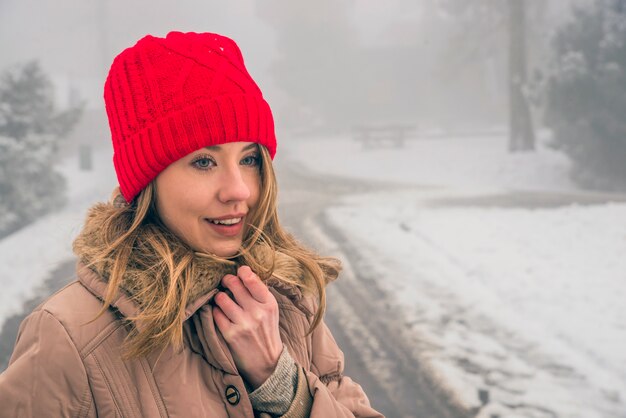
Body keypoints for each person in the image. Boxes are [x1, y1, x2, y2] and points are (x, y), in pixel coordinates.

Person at [0, 31, 383, 417]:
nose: (239, 191)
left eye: (249, 159)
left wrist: (281, 385)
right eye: (204, 162)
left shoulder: (284, 300)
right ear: (148, 181)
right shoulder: (67, 337)